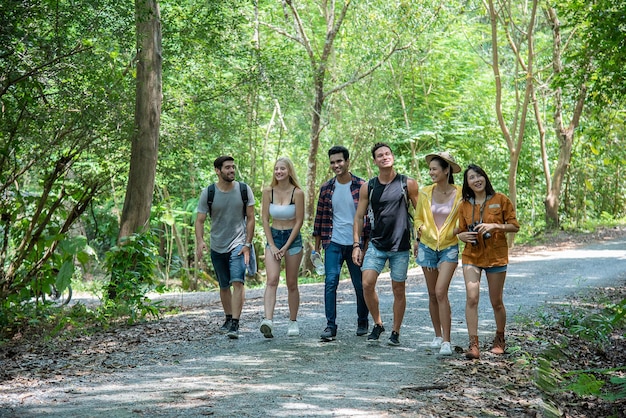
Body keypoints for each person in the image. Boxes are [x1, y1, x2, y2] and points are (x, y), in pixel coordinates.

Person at [352, 142, 419, 346]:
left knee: (398, 290)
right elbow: (358, 217)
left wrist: (419, 238)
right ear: (375, 161)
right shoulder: (369, 187)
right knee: (367, 283)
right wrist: (356, 245)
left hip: (400, 246)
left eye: (387, 154)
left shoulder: (407, 183)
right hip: (376, 244)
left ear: (393, 157)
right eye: (380, 155)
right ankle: (378, 323)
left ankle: (395, 331)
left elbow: (421, 214)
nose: (384, 157)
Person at [456, 164, 520, 359]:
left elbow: (514, 226)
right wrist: (463, 237)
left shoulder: (501, 200)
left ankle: (500, 339)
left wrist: (494, 226)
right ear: (467, 183)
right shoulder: (464, 205)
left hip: (496, 256)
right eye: (471, 178)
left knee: (496, 301)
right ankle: (473, 345)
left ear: (485, 177)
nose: (476, 180)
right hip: (471, 256)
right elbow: (460, 231)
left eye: (479, 176)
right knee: (472, 298)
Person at [313, 146, 370, 342]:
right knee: (330, 282)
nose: (336, 165)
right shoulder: (327, 188)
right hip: (333, 242)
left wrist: (364, 246)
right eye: (332, 162)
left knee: (360, 285)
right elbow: (319, 219)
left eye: (339, 161)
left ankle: (363, 321)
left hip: (356, 243)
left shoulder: (362, 186)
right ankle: (330, 326)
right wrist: (316, 248)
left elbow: (368, 219)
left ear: (347, 161)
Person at [195, 156, 255, 339]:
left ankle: (235, 323)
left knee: (238, 282)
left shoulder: (244, 190)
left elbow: (251, 218)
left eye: (233, 167)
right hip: (217, 245)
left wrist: (247, 243)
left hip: (238, 244)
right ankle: (228, 318)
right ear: (217, 170)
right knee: (223, 285)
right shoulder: (209, 192)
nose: (231, 170)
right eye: (227, 167)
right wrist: (200, 241)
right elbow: (199, 220)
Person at [414, 151, 462, 356]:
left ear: (446, 170)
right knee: (433, 293)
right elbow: (417, 218)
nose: (431, 172)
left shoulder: (461, 193)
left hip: (449, 247)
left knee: (441, 291)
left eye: (435, 169)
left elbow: (466, 217)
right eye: (430, 169)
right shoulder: (425, 192)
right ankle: (436, 335)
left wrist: (457, 230)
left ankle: (447, 341)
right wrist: (419, 232)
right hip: (427, 246)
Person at [260, 157, 305, 338]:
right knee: (272, 279)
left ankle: (293, 321)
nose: (279, 172)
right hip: (274, 236)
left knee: (291, 283)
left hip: (292, 240)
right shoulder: (268, 191)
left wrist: (286, 246)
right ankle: (268, 321)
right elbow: (264, 218)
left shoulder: (298, 193)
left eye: (282, 169)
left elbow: (300, 221)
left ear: (289, 171)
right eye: (276, 169)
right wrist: (271, 244)